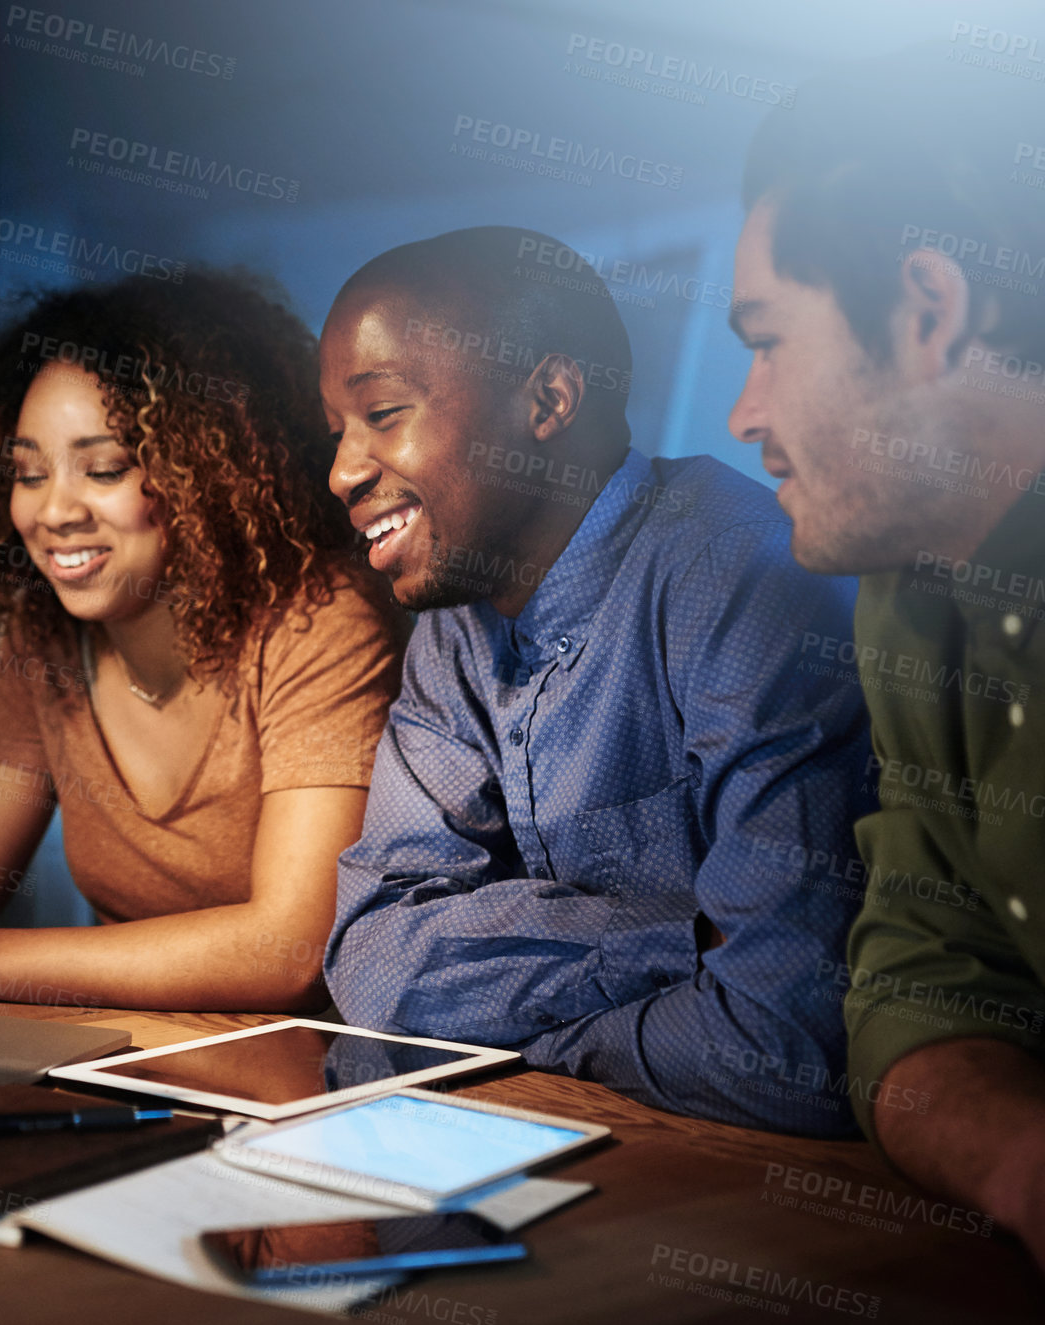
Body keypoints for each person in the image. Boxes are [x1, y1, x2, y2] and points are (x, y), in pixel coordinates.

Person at [320, 226, 874, 1136]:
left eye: (381, 415)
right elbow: (373, 963)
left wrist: (526, 1032)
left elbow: (783, 1049)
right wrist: (683, 942)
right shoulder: (450, 632)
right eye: (337, 431)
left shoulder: (741, 580)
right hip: (601, 1147)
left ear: (547, 399)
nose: (341, 470)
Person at [728, 53, 1045, 1257]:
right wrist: (1021, 1161)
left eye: (768, 340)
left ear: (926, 308)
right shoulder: (902, 593)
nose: (741, 412)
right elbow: (920, 972)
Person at [0, 270, 404, 1010]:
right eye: (27, 473)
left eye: (104, 468)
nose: (53, 510)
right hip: (126, 1057)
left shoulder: (320, 623)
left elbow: (292, 946)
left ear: (210, 473)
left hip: (311, 1073)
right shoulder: (42, 642)